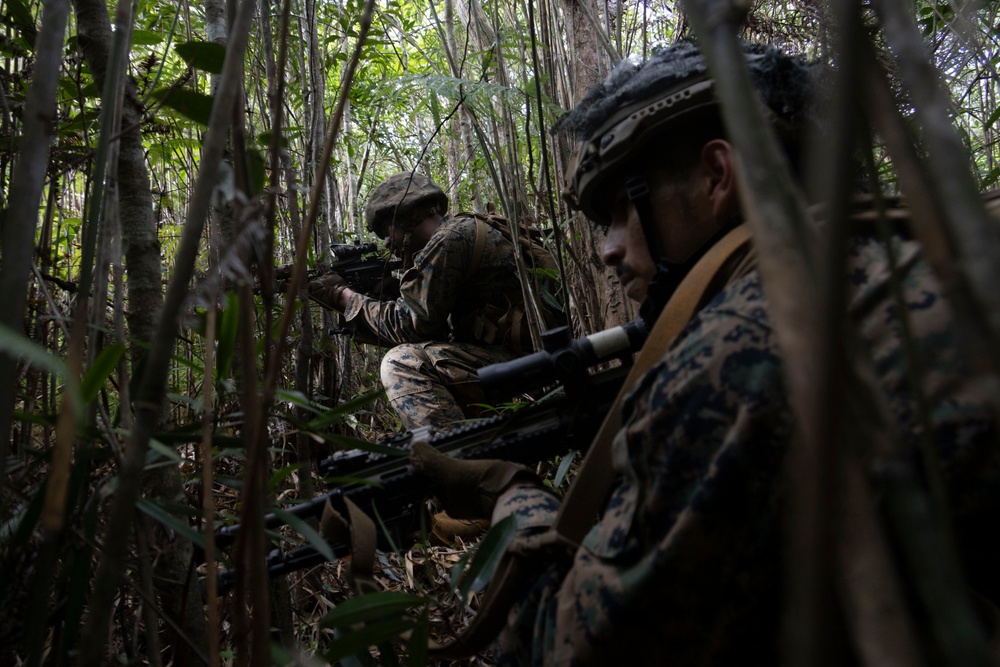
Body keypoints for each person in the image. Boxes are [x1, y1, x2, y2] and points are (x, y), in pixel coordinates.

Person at [410, 40, 1000, 664]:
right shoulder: (920, 262)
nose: (606, 251)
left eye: (618, 211)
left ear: (718, 176)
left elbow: (566, 646)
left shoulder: (745, 345)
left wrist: (508, 495)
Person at [309, 172, 543, 432]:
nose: (387, 244)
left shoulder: (450, 239)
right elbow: (434, 330)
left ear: (409, 217)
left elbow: (412, 325)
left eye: (387, 231)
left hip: (526, 359)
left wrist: (345, 298)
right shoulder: (465, 229)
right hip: (521, 354)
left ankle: (458, 461)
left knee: (401, 364)